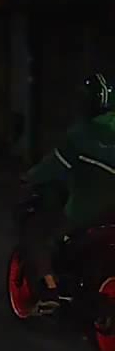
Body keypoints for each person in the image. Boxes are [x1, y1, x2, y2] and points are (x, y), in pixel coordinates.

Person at [20, 72, 115, 314]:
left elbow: (51, 168)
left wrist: (28, 178)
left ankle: (50, 292)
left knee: (39, 235)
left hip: (87, 214)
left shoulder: (80, 135)